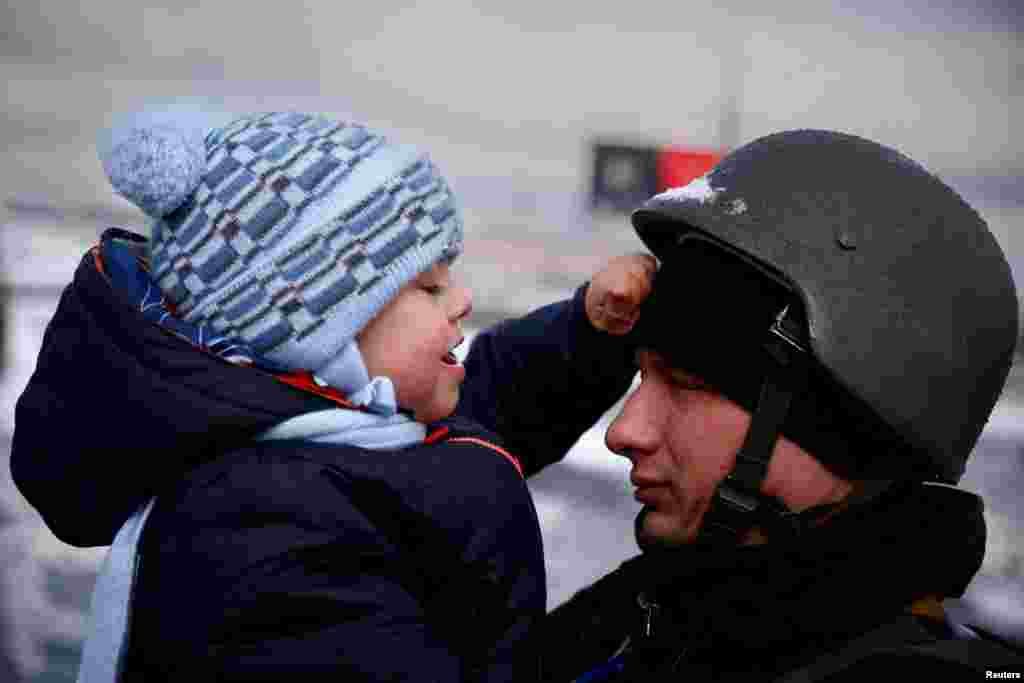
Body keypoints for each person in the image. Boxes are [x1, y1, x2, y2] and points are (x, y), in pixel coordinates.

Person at [9, 110, 654, 681]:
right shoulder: (259, 524)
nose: (461, 302)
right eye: (428, 288)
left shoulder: (349, 440)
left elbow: (492, 405)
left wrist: (589, 331)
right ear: (318, 327)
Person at [538, 129, 1024, 681]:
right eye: (643, 377)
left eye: (689, 386)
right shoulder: (647, 615)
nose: (624, 432)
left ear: (846, 429)